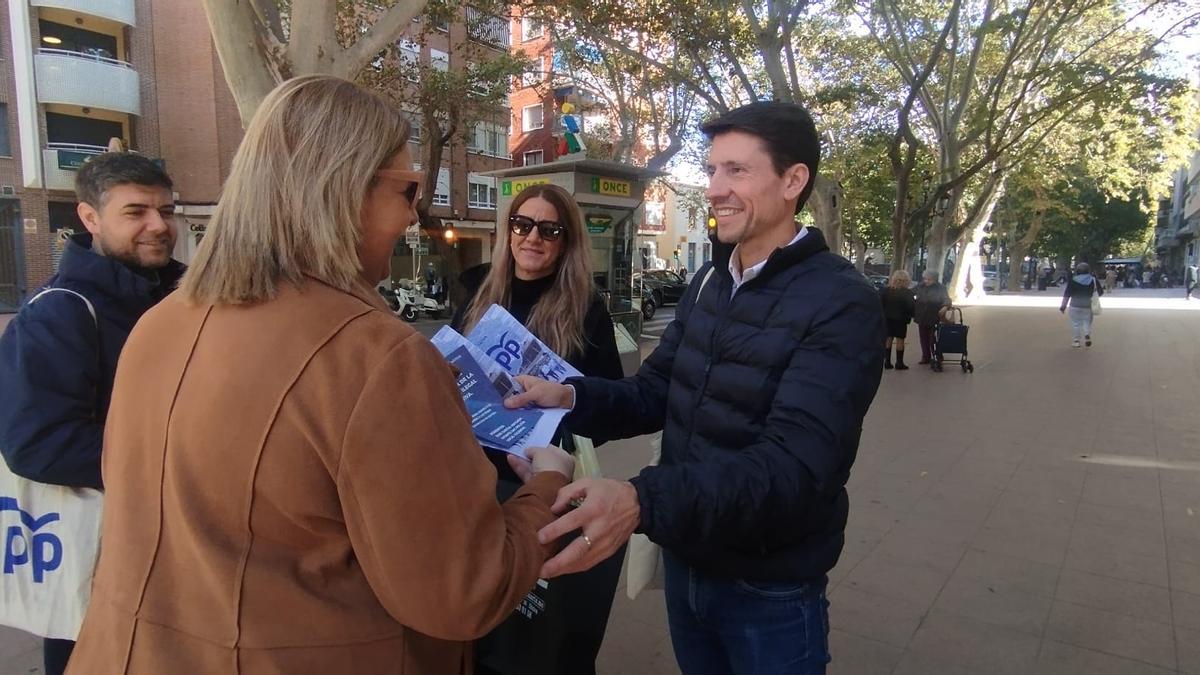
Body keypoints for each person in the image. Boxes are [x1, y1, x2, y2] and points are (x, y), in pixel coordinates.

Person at [62, 76, 574, 675]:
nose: (414, 215)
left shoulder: (160, 323)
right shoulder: (377, 357)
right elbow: (464, 591)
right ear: (346, 188)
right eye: (408, 190)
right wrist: (546, 486)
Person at [505, 101, 885, 674]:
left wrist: (641, 500)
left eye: (736, 170)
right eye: (711, 171)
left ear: (793, 181)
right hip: (687, 559)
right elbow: (656, 391)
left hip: (768, 588)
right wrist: (571, 396)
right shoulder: (710, 280)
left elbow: (796, 468)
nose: (714, 189)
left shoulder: (841, 301)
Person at [0, 152, 184, 675]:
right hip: (101, 559)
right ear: (90, 217)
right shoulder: (60, 310)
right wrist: (178, 461)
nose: (158, 225)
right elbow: (37, 445)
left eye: (166, 211)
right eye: (136, 212)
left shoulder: (181, 298)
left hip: (172, 554)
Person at [451, 183, 624, 675]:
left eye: (549, 230)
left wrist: (552, 412)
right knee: (479, 617)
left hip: (538, 483)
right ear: (508, 231)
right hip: (471, 483)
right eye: (523, 225)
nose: (532, 238)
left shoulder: (586, 308)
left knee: (539, 630)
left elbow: (610, 406)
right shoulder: (477, 290)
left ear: (566, 242)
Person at [1059, 261, 1103, 348]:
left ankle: (1076, 341)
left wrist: (1063, 306)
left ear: (1077, 271)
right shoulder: (1093, 280)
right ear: (1088, 270)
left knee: (1076, 323)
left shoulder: (1073, 280)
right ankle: (1087, 335)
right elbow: (1100, 292)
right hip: (1088, 305)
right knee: (1087, 322)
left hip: (1074, 305)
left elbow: (1067, 294)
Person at [880, 270, 916, 370]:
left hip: (887, 318)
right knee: (900, 340)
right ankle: (899, 363)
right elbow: (911, 307)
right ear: (906, 281)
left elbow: (881, 303)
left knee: (888, 339)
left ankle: (887, 362)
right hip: (901, 319)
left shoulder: (886, 291)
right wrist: (911, 316)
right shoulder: (908, 293)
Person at [914, 269, 951, 365]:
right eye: (925, 279)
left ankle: (937, 355)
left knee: (933, 339)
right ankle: (925, 357)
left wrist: (945, 306)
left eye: (929, 279)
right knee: (923, 338)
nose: (926, 281)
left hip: (934, 316)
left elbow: (946, 299)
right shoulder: (920, 286)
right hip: (922, 316)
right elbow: (910, 293)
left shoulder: (940, 288)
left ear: (934, 279)